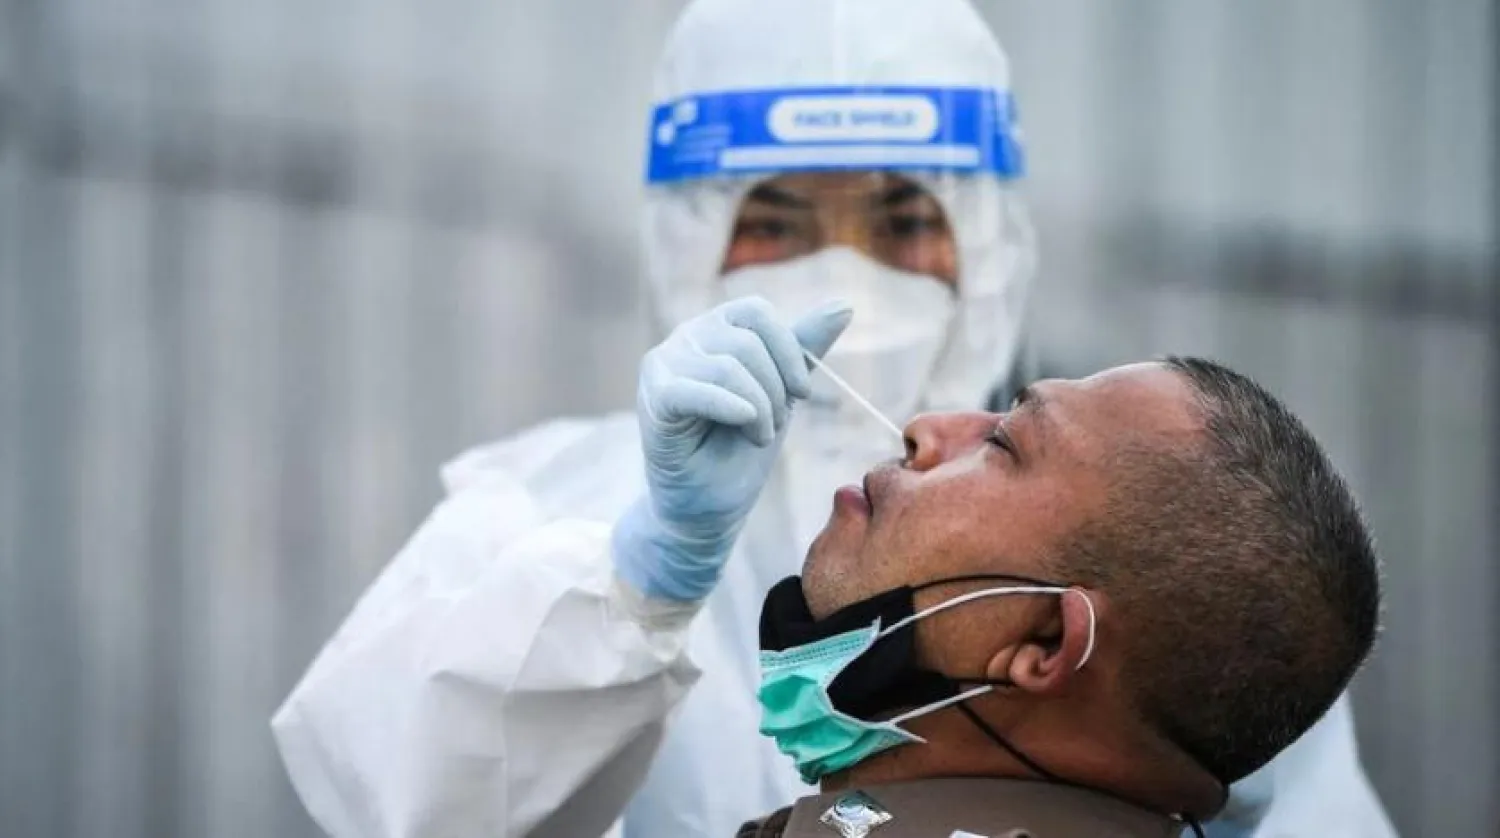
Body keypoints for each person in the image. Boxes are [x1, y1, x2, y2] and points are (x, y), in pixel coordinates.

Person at [271, 0, 1394, 835]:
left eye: (904, 220)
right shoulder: (544, 513)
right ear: (689, 240)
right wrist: (638, 581)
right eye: (781, 219)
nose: (843, 275)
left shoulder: (1173, 554)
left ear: (991, 243)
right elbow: (388, 798)